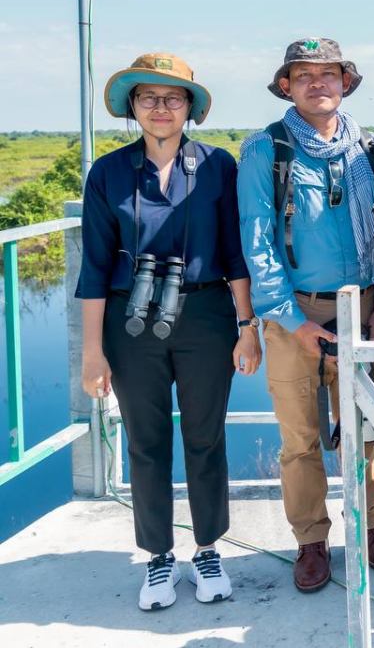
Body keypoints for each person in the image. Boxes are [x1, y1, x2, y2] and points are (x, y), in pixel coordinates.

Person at [77, 53, 260, 610]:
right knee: (146, 441)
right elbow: (94, 267)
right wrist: (92, 352)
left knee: (205, 438)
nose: (161, 107)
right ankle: (158, 555)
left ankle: (207, 549)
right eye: (149, 97)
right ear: (132, 107)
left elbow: (235, 252)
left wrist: (247, 326)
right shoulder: (108, 172)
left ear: (190, 107)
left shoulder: (218, 166)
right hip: (129, 320)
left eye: (173, 97)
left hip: (206, 317)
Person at [237, 38, 374, 592]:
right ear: (286, 86)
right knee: (300, 438)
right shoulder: (267, 150)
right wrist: (291, 320)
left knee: (368, 431)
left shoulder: (369, 151)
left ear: (345, 83)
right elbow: (258, 242)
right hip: (294, 313)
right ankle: (311, 540)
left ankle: (371, 525)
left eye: (328, 73)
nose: (317, 83)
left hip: (364, 308)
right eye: (303, 75)